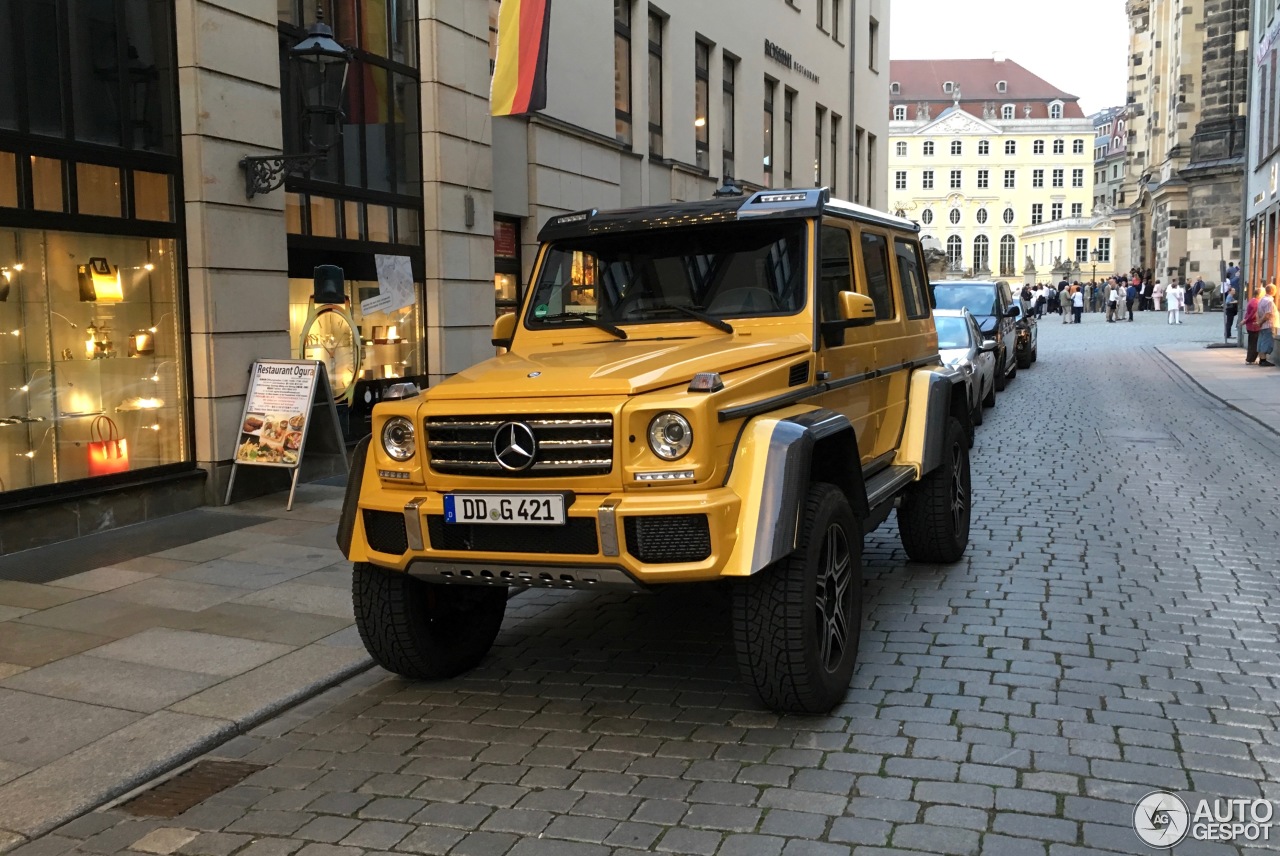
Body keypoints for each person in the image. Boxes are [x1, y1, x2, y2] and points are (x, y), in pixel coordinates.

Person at [1259, 284, 1279, 367]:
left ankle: (1262, 359)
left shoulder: (1262, 299)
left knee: (1262, 342)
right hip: (1268, 325)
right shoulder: (1269, 301)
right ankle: (1263, 360)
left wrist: (1259, 322)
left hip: (1264, 325)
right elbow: (1268, 314)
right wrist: (1260, 322)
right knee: (1266, 342)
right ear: (1272, 291)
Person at [1243, 289, 1262, 364]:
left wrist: (1245, 320)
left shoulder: (1251, 301)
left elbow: (1248, 313)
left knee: (1252, 343)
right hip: (1253, 326)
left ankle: (1250, 359)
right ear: (1259, 294)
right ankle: (1251, 359)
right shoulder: (1256, 302)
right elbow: (1253, 314)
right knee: (1254, 343)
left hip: (1250, 325)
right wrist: (1246, 320)